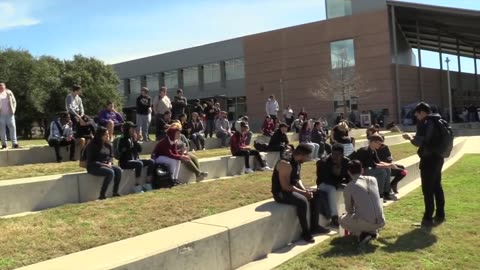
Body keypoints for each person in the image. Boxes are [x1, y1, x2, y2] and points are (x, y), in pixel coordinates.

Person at [271, 144, 328, 243]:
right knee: (302, 201)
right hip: (281, 192)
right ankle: (305, 233)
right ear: (302, 155)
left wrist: (305, 190)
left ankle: (315, 226)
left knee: (317, 194)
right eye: (308, 156)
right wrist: (303, 193)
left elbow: (297, 179)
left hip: (291, 188)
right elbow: (285, 187)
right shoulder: (285, 164)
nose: (309, 158)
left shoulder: (297, 161)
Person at [402, 102, 447, 227]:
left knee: (427, 189)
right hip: (438, 157)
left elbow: (420, 142)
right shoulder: (438, 121)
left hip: (428, 159)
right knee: (437, 186)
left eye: (417, 113)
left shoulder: (426, 123)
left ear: (422, 112)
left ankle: (428, 218)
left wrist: (410, 137)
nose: (416, 116)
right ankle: (440, 215)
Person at [339, 160, 385, 245]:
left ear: (348, 172)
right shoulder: (373, 179)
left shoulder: (349, 187)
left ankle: (361, 234)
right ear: (362, 170)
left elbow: (349, 210)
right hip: (381, 221)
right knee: (366, 216)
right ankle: (372, 232)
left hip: (367, 222)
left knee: (342, 219)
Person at [350, 134, 398, 200]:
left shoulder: (373, 151)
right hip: (361, 171)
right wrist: (389, 165)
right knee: (382, 172)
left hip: (368, 168)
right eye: (379, 143)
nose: (380, 145)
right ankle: (379, 195)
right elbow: (374, 165)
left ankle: (386, 192)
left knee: (387, 169)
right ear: (373, 142)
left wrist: (389, 165)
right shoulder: (365, 151)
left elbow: (378, 162)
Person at [316, 144, 350, 226]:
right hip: (323, 184)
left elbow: (349, 177)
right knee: (332, 189)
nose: (335, 157)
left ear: (342, 154)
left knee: (351, 187)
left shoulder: (346, 162)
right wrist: (339, 183)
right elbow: (326, 179)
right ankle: (334, 216)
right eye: (333, 154)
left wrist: (346, 183)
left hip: (337, 183)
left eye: (338, 155)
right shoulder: (323, 162)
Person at [85, 126, 122, 200]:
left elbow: (111, 156)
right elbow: (91, 161)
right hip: (94, 166)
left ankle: (115, 192)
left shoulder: (108, 145)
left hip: (106, 165)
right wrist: (104, 164)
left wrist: (110, 163)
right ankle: (102, 195)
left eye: (108, 134)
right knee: (110, 172)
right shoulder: (92, 145)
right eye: (106, 134)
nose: (108, 136)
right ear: (100, 135)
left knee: (118, 170)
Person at [117, 121, 155, 193]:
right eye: (132, 128)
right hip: (125, 162)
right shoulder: (122, 139)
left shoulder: (132, 139)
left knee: (151, 162)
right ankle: (137, 185)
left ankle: (147, 183)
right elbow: (121, 151)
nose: (134, 130)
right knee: (139, 164)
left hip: (134, 160)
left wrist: (135, 141)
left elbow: (140, 149)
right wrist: (131, 144)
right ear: (127, 129)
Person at [0, 82, 18, 149]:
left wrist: (14, 110)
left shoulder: (9, 92)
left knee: (12, 128)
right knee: (2, 130)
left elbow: (14, 101)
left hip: (10, 114)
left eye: (2, 86)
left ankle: (14, 143)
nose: (1, 87)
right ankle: (4, 144)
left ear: (5, 86)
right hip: (1, 115)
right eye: (0, 86)